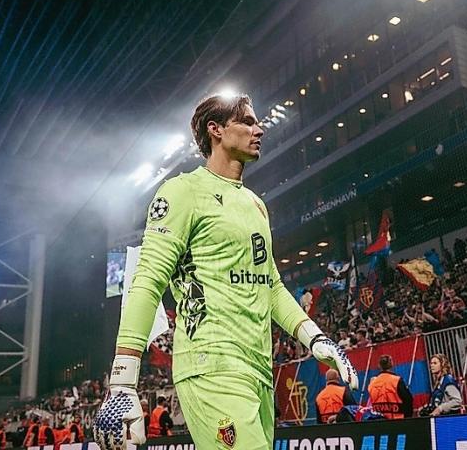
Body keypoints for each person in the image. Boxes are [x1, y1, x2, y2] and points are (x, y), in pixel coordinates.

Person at [93, 94, 358, 450]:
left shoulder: (256, 205)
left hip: (259, 369)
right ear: (215, 130)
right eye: (247, 122)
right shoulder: (182, 191)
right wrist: (123, 381)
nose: (259, 129)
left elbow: (271, 286)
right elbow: (147, 280)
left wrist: (315, 338)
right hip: (210, 363)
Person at [367, 355, 413, 419]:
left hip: (379, 421)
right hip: (398, 420)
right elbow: (408, 399)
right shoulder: (397, 380)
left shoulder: (372, 384)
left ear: (379, 366)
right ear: (391, 364)